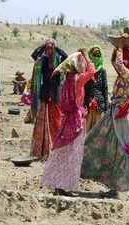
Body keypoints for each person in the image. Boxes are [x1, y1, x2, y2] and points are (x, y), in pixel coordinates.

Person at [81, 46, 129, 201]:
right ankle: (114, 188)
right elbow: (115, 62)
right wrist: (117, 48)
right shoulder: (127, 73)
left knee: (127, 152)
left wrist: (119, 46)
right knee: (113, 149)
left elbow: (117, 63)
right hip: (117, 112)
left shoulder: (127, 73)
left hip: (123, 115)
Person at [42, 50, 95, 196]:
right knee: (74, 154)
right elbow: (92, 71)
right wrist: (87, 55)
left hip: (66, 120)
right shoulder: (78, 80)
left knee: (63, 152)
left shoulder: (67, 80)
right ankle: (67, 187)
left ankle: (59, 185)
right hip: (76, 120)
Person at [30, 39, 68, 159]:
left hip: (55, 93)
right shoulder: (43, 59)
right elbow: (34, 55)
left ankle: (55, 147)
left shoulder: (59, 61)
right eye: (48, 48)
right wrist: (43, 46)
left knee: (56, 120)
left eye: (51, 48)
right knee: (42, 120)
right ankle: (43, 149)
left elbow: (66, 56)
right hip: (45, 93)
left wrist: (56, 48)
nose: (50, 50)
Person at [84, 45, 109, 132]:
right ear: (90, 55)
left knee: (98, 132)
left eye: (98, 55)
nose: (97, 57)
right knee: (87, 131)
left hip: (99, 105)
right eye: (94, 54)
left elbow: (105, 88)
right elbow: (84, 88)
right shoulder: (87, 70)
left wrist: (106, 106)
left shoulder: (102, 71)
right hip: (89, 104)